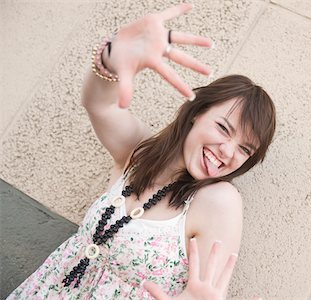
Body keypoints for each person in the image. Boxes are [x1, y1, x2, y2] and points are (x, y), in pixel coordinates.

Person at [7, 3, 275, 299]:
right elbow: (99, 104)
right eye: (223, 129)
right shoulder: (139, 151)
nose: (226, 151)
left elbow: (208, 293)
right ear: (196, 113)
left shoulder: (218, 201)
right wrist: (113, 57)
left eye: (245, 149)